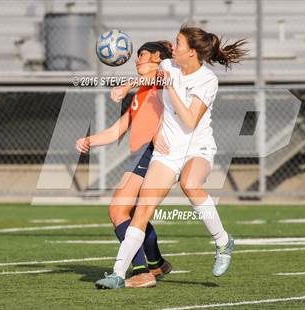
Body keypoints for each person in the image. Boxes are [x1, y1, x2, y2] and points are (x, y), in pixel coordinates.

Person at [95, 24, 248, 289]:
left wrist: (172, 88)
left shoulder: (207, 80)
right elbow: (150, 76)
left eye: (178, 43)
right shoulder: (168, 65)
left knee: (190, 183)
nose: (172, 47)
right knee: (142, 212)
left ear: (191, 52)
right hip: (168, 154)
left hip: (197, 149)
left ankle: (223, 242)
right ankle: (118, 274)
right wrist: (125, 86)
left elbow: (189, 120)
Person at [76, 41, 174, 288]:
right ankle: (156, 263)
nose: (136, 60)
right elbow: (115, 131)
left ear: (157, 56)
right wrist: (89, 140)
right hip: (141, 155)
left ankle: (143, 271)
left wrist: (126, 84)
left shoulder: (164, 76)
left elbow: (160, 75)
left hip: (152, 152)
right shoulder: (142, 93)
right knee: (132, 213)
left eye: (141, 54)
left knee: (118, 210)